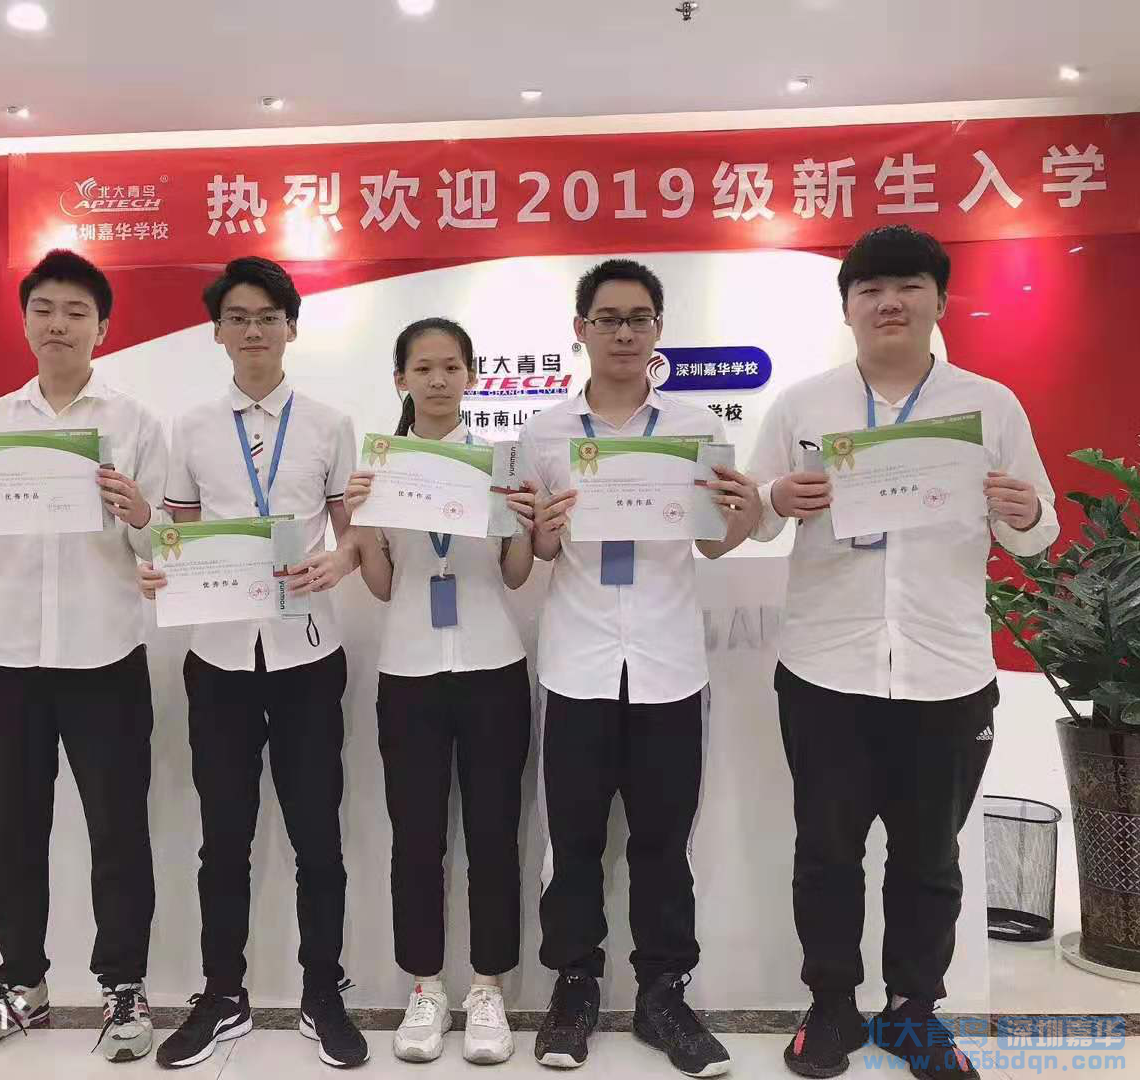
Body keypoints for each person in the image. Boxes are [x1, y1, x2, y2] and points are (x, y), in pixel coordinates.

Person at [747, 225, 1059, 1080]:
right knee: (826, 853)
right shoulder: (804, 406)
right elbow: (754, 518)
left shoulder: (990, 406)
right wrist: (775, 495)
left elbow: (1036, 533)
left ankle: (914, 1013)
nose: (890, 302)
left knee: (930, 861)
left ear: (939, 300)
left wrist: (1026, 512)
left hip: (945, 670)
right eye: (871, 289)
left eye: (909, 286)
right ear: (847, 307)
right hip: (826, 668)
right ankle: (831, 1006)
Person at [520, 259, 761, 1077]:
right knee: (573, 841)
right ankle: (574, 989)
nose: (624, 333)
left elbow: (714, 543)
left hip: (667, 664)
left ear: (658, 329)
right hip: (577, 661)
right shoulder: (545, 433)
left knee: (664, 842)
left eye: (639, 319)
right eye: (608, 318)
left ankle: (665, 996)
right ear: (580, 330)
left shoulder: (695, 428)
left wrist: (742, 513)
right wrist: (545, 530)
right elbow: (536, 551)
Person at [0, 249, 164, 1063]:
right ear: (25, 321)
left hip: (106, 656)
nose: (58, 323)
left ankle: (123, 985)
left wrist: (140, 512)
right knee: (12, 833)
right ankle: (20, 983)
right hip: (9, 660)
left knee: (118, 833)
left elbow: (159, 548)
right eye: (44, 309)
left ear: (103, 328)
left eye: (75, 311)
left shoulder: (136, 424)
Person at [138, 256, 369, 1069]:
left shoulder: (330, 424)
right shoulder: (193, 427)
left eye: (268, 316)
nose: (253, 330)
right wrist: (161, 568)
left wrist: (342, 561)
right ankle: (222, 995)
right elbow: (177, 533)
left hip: (309, 652)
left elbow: (354, 532)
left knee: (319, 840)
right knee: (223, 839)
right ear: (218, 332)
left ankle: (322, 993)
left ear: (291, 328)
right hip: (219, 658)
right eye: (237, 317)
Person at [345, 318, 537, 1065]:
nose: (437, 379)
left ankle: (487, 989)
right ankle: (425, 988)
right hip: (410, 671)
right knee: (417, 839)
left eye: (451, 366)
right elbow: (383, 585)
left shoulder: (498, 462)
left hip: (493, 666)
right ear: (401, 379)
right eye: (422, 368)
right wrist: (362, 524)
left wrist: (520, 520)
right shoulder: (382, 468)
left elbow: (516, 575)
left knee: (493, 836)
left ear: (471, 377)